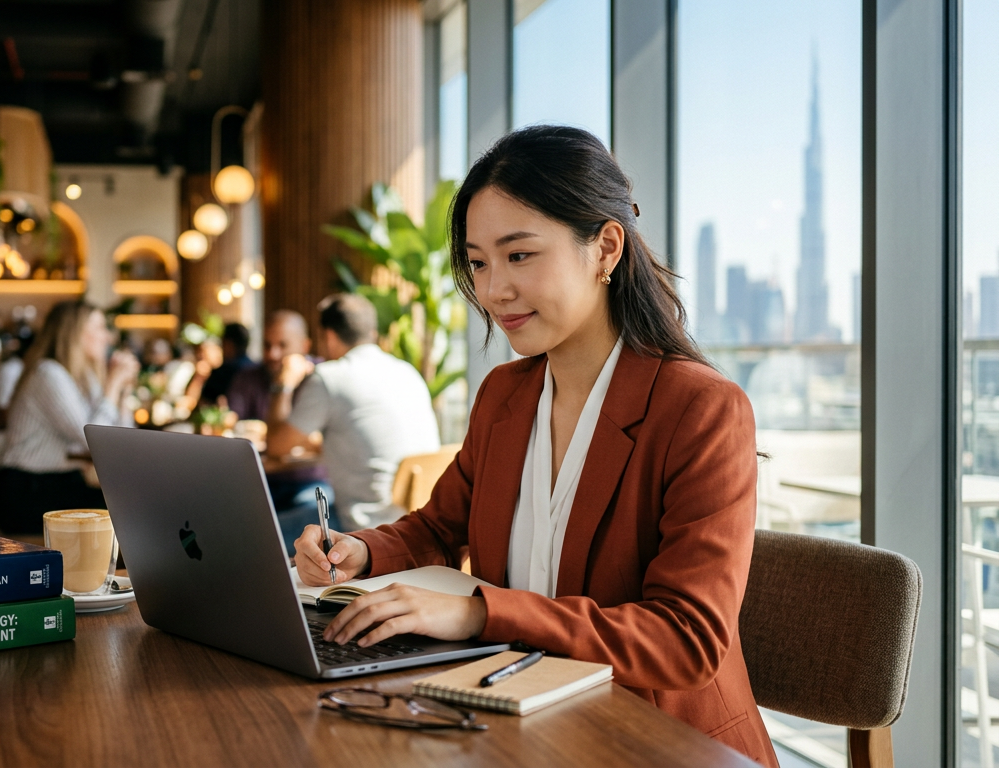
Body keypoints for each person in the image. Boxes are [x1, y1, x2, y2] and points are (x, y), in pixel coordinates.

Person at [293, 126, 775, 766]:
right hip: (519, 723)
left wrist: (477, 614)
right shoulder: (505, 396)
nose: (494, 290)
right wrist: (360, 549)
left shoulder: (701, 410)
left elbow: (685, 640)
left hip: (653, 740)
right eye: (480, 262)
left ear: (605, 248)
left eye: (519, 255)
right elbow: (440, 525)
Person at [267, 293, 440, 531]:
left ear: (329, 336)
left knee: (259, 533)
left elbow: (276, 446)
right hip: (419, 521)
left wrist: (283, 383)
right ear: (371, 332)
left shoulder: (330, 377)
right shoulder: (407, 372)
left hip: (366, 527)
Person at [0, 302, 139, 535]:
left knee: (133, 506)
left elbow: (119, 441)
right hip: (26, 492)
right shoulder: (48, 373)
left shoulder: (83, 377)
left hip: (60, 484)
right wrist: (112, 385)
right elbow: (94, 439)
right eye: (100, 327)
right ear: (75, 333)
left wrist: (123, 392)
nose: (108, 337)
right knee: (130, 511)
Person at [227, 310, 333, 552]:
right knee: (222, 522)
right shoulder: (247, 378)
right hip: (260, 483)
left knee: (263, 541)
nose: (273, 354)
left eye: (282, 345)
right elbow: (234, 427)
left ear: (305, 346)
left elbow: (325, 440)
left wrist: (282, 384)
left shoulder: (323, 378)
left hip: (312, 481)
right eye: (267, 345)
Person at [199, 323, 255, 404]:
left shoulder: (222, 372)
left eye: (222, 343)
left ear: (229, 344)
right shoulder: (256, 371)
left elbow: (204, 402)